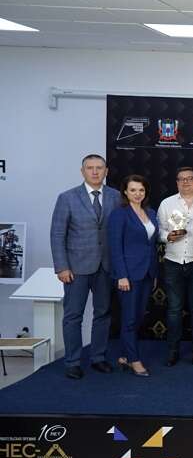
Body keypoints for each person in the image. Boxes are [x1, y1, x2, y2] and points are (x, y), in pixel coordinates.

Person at [50, 154, 122, 379]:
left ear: (106, 171)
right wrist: (61, 267)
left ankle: (98, 358)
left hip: (106, 266)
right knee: (73, 316)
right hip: (75, 268)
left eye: (99, 168)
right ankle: (72, 362)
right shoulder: (67, 198)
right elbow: (57, 234)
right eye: (90, 168)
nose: (95, 172)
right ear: (82, 172)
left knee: (103, 314)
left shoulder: (116, 196)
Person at [158, 166, 193, 367]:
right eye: (181, 179)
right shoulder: (167, 203)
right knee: (174, 310)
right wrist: (168, 236)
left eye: (190, 178)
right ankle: (172, 351)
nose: (186, 182)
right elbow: (159, 230)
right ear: (177, 182)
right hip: (173, 261)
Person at [107, 174, 158, 377]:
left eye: (141, 190)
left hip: (147, 272)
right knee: (129, 318)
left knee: (137, 318)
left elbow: (151, 244)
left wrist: (154, 273)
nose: (137, 194)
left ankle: (125, 355)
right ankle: (134, 360)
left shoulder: (151, 213)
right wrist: (121, 275)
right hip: (128, 274)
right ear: (125, 192)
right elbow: (115, 247)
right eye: (133, 190)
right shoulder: (119, 214)